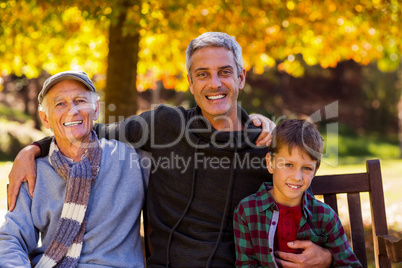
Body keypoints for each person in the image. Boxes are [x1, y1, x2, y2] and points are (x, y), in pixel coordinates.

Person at [8, 32, 333, 267]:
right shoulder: (164, 124)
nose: (214, 84)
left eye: (224, 72)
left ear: (241, 77)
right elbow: (87, 131)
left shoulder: (266, 147)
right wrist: (34, 149)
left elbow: (303, 205)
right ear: (190, 83)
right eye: (202, 74)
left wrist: (328, 256)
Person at [0, 71, 149, 267]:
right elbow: (11, 238)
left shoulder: (131, 160)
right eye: (60, 103)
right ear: (45, 119)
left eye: (80, 101)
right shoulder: (33, 172)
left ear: (95, 110)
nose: (72, 110)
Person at [234, 119, 362, 267]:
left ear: (315, 171)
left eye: (307, 168)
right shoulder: (247, 212)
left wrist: (328, 262)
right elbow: (246, 265)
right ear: (270, 163)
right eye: (288, 165)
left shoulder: (325, 217)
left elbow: (350, 264)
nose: (297, 177)